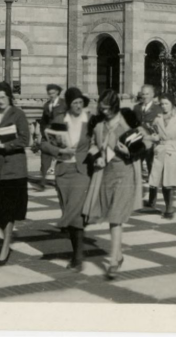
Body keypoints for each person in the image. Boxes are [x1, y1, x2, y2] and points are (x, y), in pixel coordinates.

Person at [86, 89, 144, 279]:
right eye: (101, 109)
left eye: (106, 109)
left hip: (124, 175)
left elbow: (140, 148)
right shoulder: (99, 126)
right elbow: (94, 146)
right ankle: (118, 255)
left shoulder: (126, 122)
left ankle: (112, 261)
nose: (104, 112)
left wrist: (127, 152)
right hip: (106, 174)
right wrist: (97, 158)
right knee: (111, 216)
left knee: (115, 217)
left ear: (114, 107)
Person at [40, 86, 91, 272]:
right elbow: (44, 143)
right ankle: (76, 250)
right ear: (68, 105)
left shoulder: (89, 121)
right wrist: (59, 150)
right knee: (71, 214)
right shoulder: (60, 120)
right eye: (75, 103)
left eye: (80, 103)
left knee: (74, 212)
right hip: (63, 172)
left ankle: (77, 257)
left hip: (83, 171)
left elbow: (98, 143)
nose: (78, 106)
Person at [0, 81, 31, 266]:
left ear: (9, 97)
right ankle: (6, 238)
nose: (0, 101)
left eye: (3, 97)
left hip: (14, 168)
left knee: (9, 210)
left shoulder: (18, 114)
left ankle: (5, 246)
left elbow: (25, 139)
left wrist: (7, 145)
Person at [145, 93, 176, 218]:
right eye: (162, 104)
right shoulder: (158, 118)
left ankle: (169, 208)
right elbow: (153, 131)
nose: (164, 106)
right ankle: (167, 206)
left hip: (173, 151)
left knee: (170, 182)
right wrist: (154, 138)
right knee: (162, 181)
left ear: (172, 104)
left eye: (167, 104)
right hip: (160, 150)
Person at [38, 83, 65, 190]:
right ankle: (42, 182)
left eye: (53, 93)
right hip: (48, 136)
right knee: (44, 158)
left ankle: (59, 181)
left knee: (61, 159)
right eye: (49, 93)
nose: (51, 95)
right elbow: (43, 121)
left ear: (57, 92)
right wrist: (43, 131)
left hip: (60, 135)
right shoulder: (46, 105)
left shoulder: (64, 104)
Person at [133, 85, 163, 182]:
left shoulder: (158, 109)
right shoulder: (136, 108)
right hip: (139, 139)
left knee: (151, 161)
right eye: (143, 94)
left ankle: (152, 181)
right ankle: (138, 178)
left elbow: (160, 126)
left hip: (151, 140)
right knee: (137, 161)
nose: (145, 96)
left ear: (152, 95)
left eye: (147, 94)